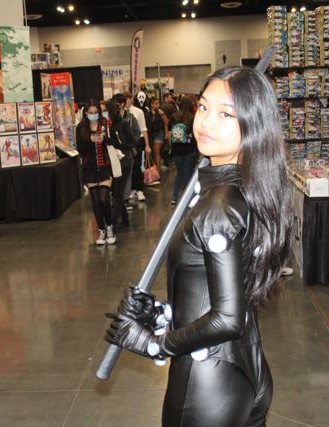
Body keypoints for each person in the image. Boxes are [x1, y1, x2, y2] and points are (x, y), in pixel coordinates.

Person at [106, 67, 291, 426]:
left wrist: (153, 344)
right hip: (246, 369)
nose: (206, 122)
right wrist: (161, 314)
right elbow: (220, 288)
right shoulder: (249, 191)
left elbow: (226, 318)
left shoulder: (219, 206)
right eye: (204, 107)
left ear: (253, 124)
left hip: (207, 382)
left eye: (226, 114)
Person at [76, 100, 116, 245]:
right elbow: (80, 150)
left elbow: (114, 142)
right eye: (90, 113)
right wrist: (90, 140)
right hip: (89, 169)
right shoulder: (81, 127)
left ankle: (110, 226)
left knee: (104, 199)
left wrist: (105, 139)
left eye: (95, 112)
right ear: (86, 113)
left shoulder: (105, 124)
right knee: (96, 202)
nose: (93, 115)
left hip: (105, 167)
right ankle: (101, 230)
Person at [105, 99, 135, 230]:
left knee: (117, 193)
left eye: (104, 111)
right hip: (112, 162)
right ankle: (124, 219)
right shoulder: (105, 126)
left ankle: (112, 222)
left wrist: (117, 143)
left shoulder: (122, 123)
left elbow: (132, 142)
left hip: (124, 161)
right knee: (117, 192)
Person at [168, 96, 197, 205]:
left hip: (176, 150)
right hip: (189, 149)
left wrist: (171, 147)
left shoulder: (173, 116)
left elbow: (169, 134)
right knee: (188, 174)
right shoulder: (192, 117)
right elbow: (195, 135)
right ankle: (186, 198)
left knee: (179, 173)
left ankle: (175, 197)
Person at [146, 96, 169, 175]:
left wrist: (163, 115)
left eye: (158, 103)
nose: (157, 105)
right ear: (151, 104)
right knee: (150, 154)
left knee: (156, 153)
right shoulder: (147, 113)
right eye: (155, 103)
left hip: (158, 133)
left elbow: (166, 122)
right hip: (149, 134)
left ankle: (158, 174)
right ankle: (152, 173)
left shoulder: (160, 113)